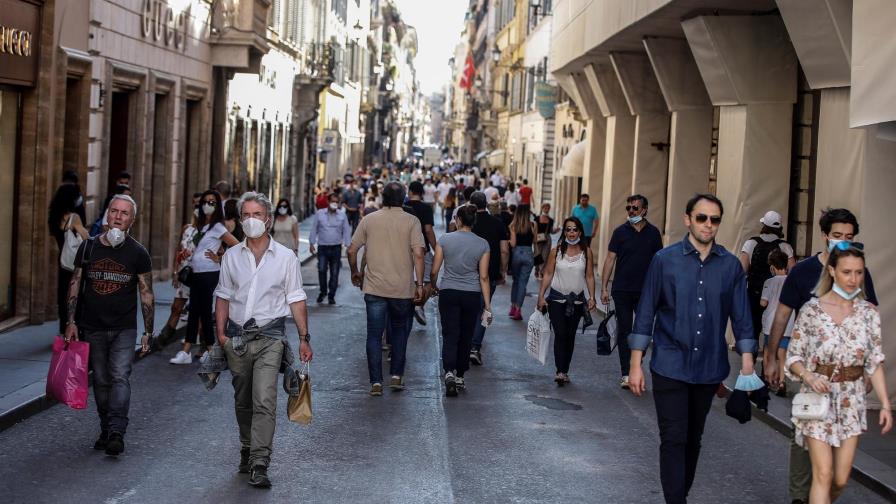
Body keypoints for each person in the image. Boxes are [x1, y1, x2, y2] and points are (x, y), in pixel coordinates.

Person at [627, 193, 756, 504]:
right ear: (688, 220)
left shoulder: (730, 267)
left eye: (714, 219)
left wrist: (748, 369)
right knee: (673, 438)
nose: (708, 225)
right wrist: (635, 364)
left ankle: (678, 495)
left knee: (692, 439)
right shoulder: (664, 261)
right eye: (702, 218)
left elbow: (742, 318)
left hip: (709, 368)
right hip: (669, 364)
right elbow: (646, 312)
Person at [763, 208, 879, 504]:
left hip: (847, 379)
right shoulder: (802, 272)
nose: (842, 242)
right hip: (809, 373)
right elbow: (782, 315)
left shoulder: (858, 274)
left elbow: (871, 321)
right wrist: (772, 356)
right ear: (825, 236)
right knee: (804, 438)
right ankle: (801, 497)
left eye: (849, 238)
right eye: (837, 236)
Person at [214, 191, 313, 488]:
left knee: (264, 400)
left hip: (271, 338)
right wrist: (220, 335)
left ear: (268, 220)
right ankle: (247, 445)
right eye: (246, 215)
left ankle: (260, 461)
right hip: (237, 339)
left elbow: (296, 299)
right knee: (242, 400)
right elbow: (223, 296)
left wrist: (304, 338)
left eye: (257, 215)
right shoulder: (231, 256)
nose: (251, 220)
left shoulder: (285, 258)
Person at [785, 244, 891, 503]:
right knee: (823, 473)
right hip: (818, 398)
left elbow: (874, 361)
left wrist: (886, 404)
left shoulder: (868, 313)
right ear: (832, 271)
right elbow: (794, 357)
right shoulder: (812, 310)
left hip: (851, 400)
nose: (853, 279)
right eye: (847, 272)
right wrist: (809, 377)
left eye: (858, 272)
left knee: (840, 479)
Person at [64, 195, 154, 456]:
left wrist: (148, 332)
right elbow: (75, 284)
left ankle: (116, 431)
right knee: (101, 381)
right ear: (108, 214)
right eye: (114, 211)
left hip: (124, 328)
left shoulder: (138, 253)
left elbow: (146, 293)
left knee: (119, 376)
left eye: (124, 213)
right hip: (92, 327)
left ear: (131, 220)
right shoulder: (89, 248)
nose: (117, 216)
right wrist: (71, 322)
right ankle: (106, 428)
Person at [347, 182, 425, 396]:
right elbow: (419, 254)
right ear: (404, 199)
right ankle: (396, 376)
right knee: (399, 332)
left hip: (374, 288)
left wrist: (355, 271)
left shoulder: (369, 220)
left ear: (383, 198)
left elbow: (352, 249)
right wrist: (419, 284)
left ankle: (376, 382)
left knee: (374, 334)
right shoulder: (412, 221)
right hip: (402, 289)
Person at [599, 194, 663, 389]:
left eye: (635, 208)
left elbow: (659, 262)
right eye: (628, 208)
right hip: (622, 290)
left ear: (644, 210)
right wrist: (604, 287)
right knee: (625, 331)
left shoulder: (653, 233)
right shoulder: (620, 232)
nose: (631, 212)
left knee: (642, 331)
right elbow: (610, 259)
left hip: (645, 291)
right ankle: (626, 372)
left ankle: (637, 360)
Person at [170, 190, 239, 364]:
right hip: (196, 272)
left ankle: (206, 349)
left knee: (204, 311)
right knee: (195, 311)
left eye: (212, 202)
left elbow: (237, 245)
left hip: (209, 273)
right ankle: (191, 351)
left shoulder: (218, 227)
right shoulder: (200, 227)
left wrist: (220, 257)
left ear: (217, 207)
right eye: (205, 202)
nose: (208, 205)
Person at [430, 205, 491, 397]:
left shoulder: (445, 240)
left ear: (458, 220)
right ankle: (460, 375)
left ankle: (448, 371)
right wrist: (488, 306)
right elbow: (483, 276)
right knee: (466, 334)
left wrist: (434, 285)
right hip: (471, 294)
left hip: (448, 291)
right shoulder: (483, 244)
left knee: (449, 333)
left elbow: (434, 270)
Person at [536, 217, 597, 385]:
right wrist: (541, 295)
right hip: (556, 299)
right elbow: (548, 273)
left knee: (570, 336)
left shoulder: (587, 252)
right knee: (561, 334)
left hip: (577, 301)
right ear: (564, 232)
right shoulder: (557, 251)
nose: (571, 233)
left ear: (580, 232)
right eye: (568, 229)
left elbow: (590, 276)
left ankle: (565, 369)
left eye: (574, 229)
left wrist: (592, 297)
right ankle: (560, 371)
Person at [466, 192, 509, 366]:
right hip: (490, 273)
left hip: (468, 272)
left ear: (471, 204)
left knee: (469, 310)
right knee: (485, 309)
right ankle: (475, 346)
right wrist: (503, 270)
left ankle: (466, 343)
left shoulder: (468, 223)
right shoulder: (498, 223)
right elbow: (504, 250)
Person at [739, 210, 795, 340]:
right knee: (775, 329)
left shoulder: (751, 243)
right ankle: (769, 356)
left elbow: (741, 270)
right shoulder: (785, 246)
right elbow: (793, 273)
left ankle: (750, 356)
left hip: (754, 293)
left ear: (763, 225)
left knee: (752, 328)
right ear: (779, 228)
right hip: (778, 296)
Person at [160, 196, 202, 346]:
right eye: (196, 206)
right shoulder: (187, 228)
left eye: (200, 206)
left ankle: (203, 345)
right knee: (176, 307)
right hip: (184, 276)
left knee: (198, 313)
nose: (197, 210)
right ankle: (163, 339)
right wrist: (175, 272)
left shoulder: (208, 232)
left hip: (199, 276)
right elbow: (179, 250)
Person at [48, 183, 89, 335]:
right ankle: (74, 328)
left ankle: (63, 329)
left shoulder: (54, 216)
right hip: (75, 262)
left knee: (63, 294)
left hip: (63, 260)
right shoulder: (74, 217)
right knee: (76, 295)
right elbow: (86, 237)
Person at [759, 248, 793, 395]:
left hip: (771, 323)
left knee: (768, 352)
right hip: (788, 322)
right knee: (782, 354)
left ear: (772, 266)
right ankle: (781, 382)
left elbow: (763, 303)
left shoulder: (769, 282)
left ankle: (768, 380)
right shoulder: (792, 280)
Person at [309, 193, 351, 304]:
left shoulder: (342, 215)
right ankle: (323, 292)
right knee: (322, 269)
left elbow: (346, 231)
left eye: (337, 202)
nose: (335, 204)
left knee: (335, 272)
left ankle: (331, 295)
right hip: (322, 247)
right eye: (333, 201)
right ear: (328, 202)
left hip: (336, 248)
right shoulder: (319, 214)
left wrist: (348, 246)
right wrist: (311, 243)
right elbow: (314, 228)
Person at [406, 181, 438, 325]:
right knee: (429, 280)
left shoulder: (403, 207)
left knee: (407, 279)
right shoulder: (426, 208)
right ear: (422, 193)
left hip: (404, 249)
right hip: (422, 248)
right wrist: (436, 248)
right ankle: (418, 305)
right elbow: (428, 230)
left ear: (410, 191)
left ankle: (409, 307)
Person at [509, 205, 537, 320]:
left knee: (515, 281)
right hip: (529, 254)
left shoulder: (513, 225)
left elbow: (513, 243)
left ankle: (512, 306)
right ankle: (518, 310)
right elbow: (535, 241)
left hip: (517, 254)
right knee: (522, 283)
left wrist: (509, 241)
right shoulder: (533, 225)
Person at [534, 203, 558, 279]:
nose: (547, 210)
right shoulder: (537, 218)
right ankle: (537, 269)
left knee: (545, 256)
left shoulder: (551, 220)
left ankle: (542, 272)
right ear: (542, 208)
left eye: (548, 208)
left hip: (547, 239)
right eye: (545, 208)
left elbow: (551, 231)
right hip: (538, 238)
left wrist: (556, 230)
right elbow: (534, 230)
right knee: (538, 255)